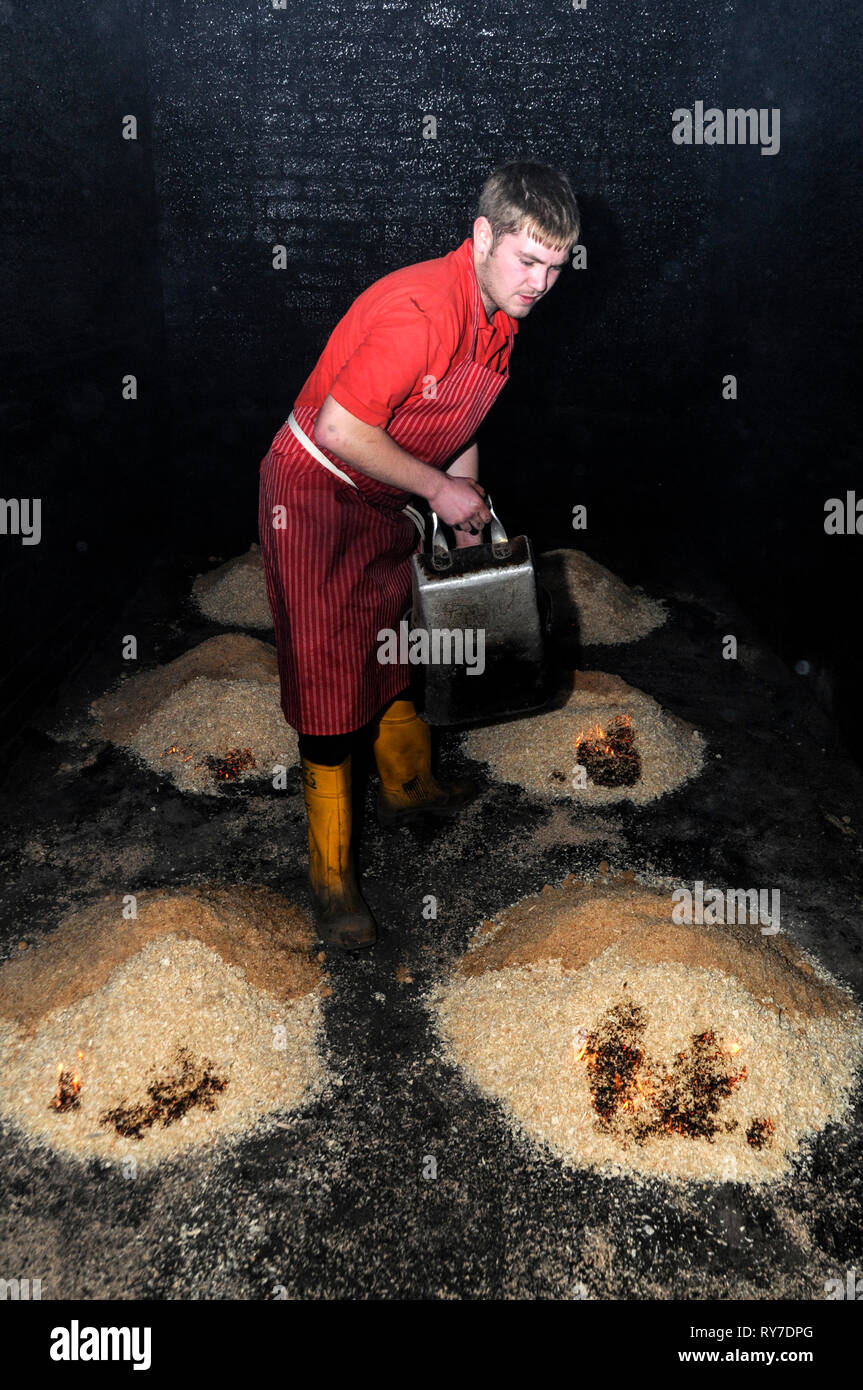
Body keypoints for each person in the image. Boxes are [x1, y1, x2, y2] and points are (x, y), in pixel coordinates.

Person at [258, 159, 580, 951]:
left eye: (555, 268)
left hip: (389, 496)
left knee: (401, 640)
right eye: (526, 260)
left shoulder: (498, 317)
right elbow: (339, 430)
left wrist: (461, 510)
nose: (539, 284)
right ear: (481, 237)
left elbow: (460, 418)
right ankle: (331, 880)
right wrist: (438, 493)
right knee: (331, 680)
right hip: (318, 496)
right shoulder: (418, 309)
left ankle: (408, 784)